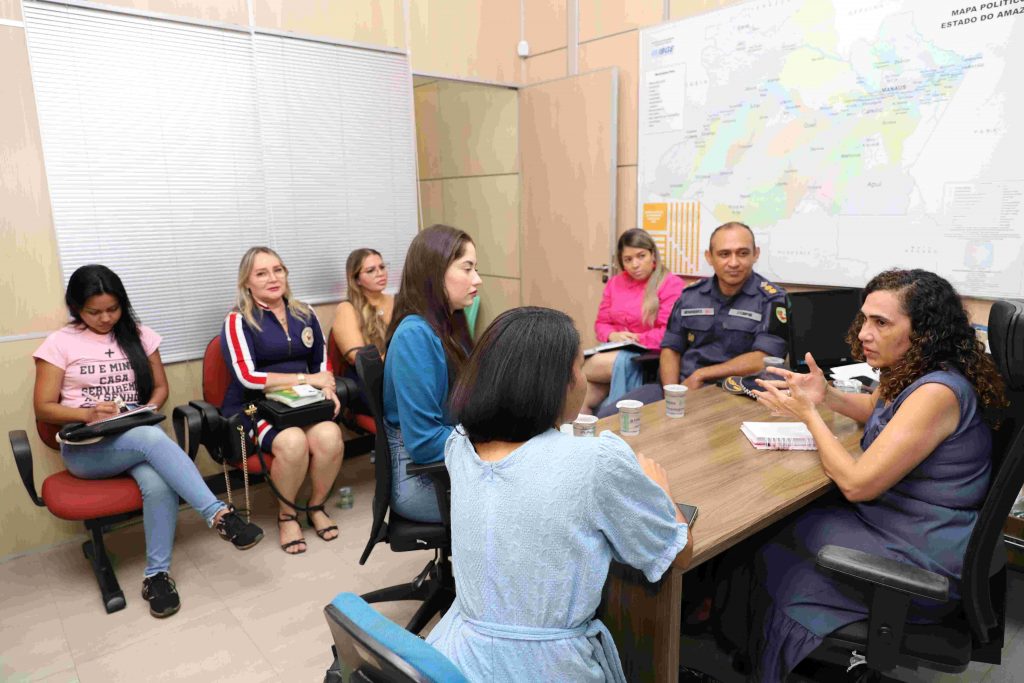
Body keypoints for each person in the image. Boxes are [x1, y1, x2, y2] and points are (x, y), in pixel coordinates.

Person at [722, 269, 1006, 681]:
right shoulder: (916, 370)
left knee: (769, 545)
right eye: (865, 319)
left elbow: (856, 484)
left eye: (881, 322)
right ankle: (762, 647)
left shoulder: (937, 392)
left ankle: (783, 658)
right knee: (774, 534)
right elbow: (877, 409)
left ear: (923, 330)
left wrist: (808, 415)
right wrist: (826, 396)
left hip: (922, 550)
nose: (865, 333)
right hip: (905, 522)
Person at [426, 306, 693, 682]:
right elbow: (676, 554)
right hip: (547, 668)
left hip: (454, 658)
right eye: (580, 367)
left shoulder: (458, 445)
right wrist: (663, 494)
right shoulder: (595, 460)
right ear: (559, 380)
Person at [33, 265, 264, 619]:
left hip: (134, 437)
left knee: (157, 482)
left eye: (113, 309)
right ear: (76, 307)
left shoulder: (140, 335)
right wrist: (88, 414)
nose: (105, 318)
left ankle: (156, 575)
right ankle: (219, 515)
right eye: (94, 312)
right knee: (148, 437)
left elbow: (160, 389)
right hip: (87, 451)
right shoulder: (59, 343)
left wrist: (142, 409)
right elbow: (44, 407)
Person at [221, 247, 344, 555]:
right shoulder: (238, 320)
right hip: (255, 407)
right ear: (247, 282)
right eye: (261, 273)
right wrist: (306, 380)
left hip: (302, 404)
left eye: (278, 270)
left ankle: (315, 506)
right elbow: (247, 377)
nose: (273, 278)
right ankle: (287, 515)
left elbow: (321, 361)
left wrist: (327, 387)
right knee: (291, 443)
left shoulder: (305, 312)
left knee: (330, 436)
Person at [596, 221, 787, 417]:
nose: (733, 262)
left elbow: (762, 358)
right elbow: (671, 348)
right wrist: (672, 394)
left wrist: (701, 374)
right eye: (724, 254)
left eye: (743, 253)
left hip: (735, 392)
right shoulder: (690, 295)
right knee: (607, 418)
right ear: (709, 257)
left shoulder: (771, 299)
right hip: (681, 386)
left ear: (756, 254)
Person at [383, 224, 481, 523]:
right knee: (526, 502)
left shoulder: (449, 325)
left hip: (447, 466)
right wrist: (491, 439)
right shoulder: (415, 335)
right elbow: (424, 444)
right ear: (435, 272)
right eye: (467, 268)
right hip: (422, 480)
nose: (477, 279)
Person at [581, 229, 684, 413]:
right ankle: (584, 440)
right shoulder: (615, 283)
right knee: (581, 398)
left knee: (576, 371)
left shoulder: (671, 283)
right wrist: (613, 335)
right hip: (614, 349)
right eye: (628, 260)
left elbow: (668, 332)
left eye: (641, 256)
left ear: (653, 254)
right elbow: (601, 324)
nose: (635, 264)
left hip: (647, 356)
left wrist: (636, 339)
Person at [331, 248, 394, 364]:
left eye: (382, 267)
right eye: (371, 271)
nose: (380, 274)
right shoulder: (347, 309)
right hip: (371, 378)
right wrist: (400, 358)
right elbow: (360, 360)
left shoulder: (397, 301)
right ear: (356, 279)